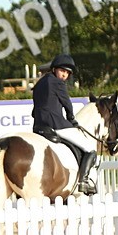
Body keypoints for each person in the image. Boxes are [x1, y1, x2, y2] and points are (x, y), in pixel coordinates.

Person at [31, 53, 97, 196]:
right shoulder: (57, 82)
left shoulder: (39, 83)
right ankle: (83, 181)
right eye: (62, 71)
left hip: (38, 126)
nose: (64, 75)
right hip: (56, 124)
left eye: (67, 73)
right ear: (54, 69)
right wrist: (71, 119)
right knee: (90, 148)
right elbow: (66, 102)